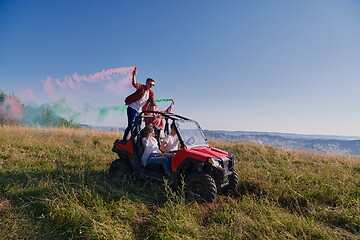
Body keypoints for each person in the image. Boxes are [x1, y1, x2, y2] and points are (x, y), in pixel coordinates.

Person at [123, 68, 156, 140]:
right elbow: (134, 84)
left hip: (139, 110)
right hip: (132, 108)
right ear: (147, 83)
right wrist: (134, 75)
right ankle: (124, 140)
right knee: (131, 125)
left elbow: (153, 103)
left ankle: (131, 140)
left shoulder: (151, 93)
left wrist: (153, 114)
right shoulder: (142, 88)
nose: (151, 86)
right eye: (150, 84)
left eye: (153, 85)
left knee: (139, 126)